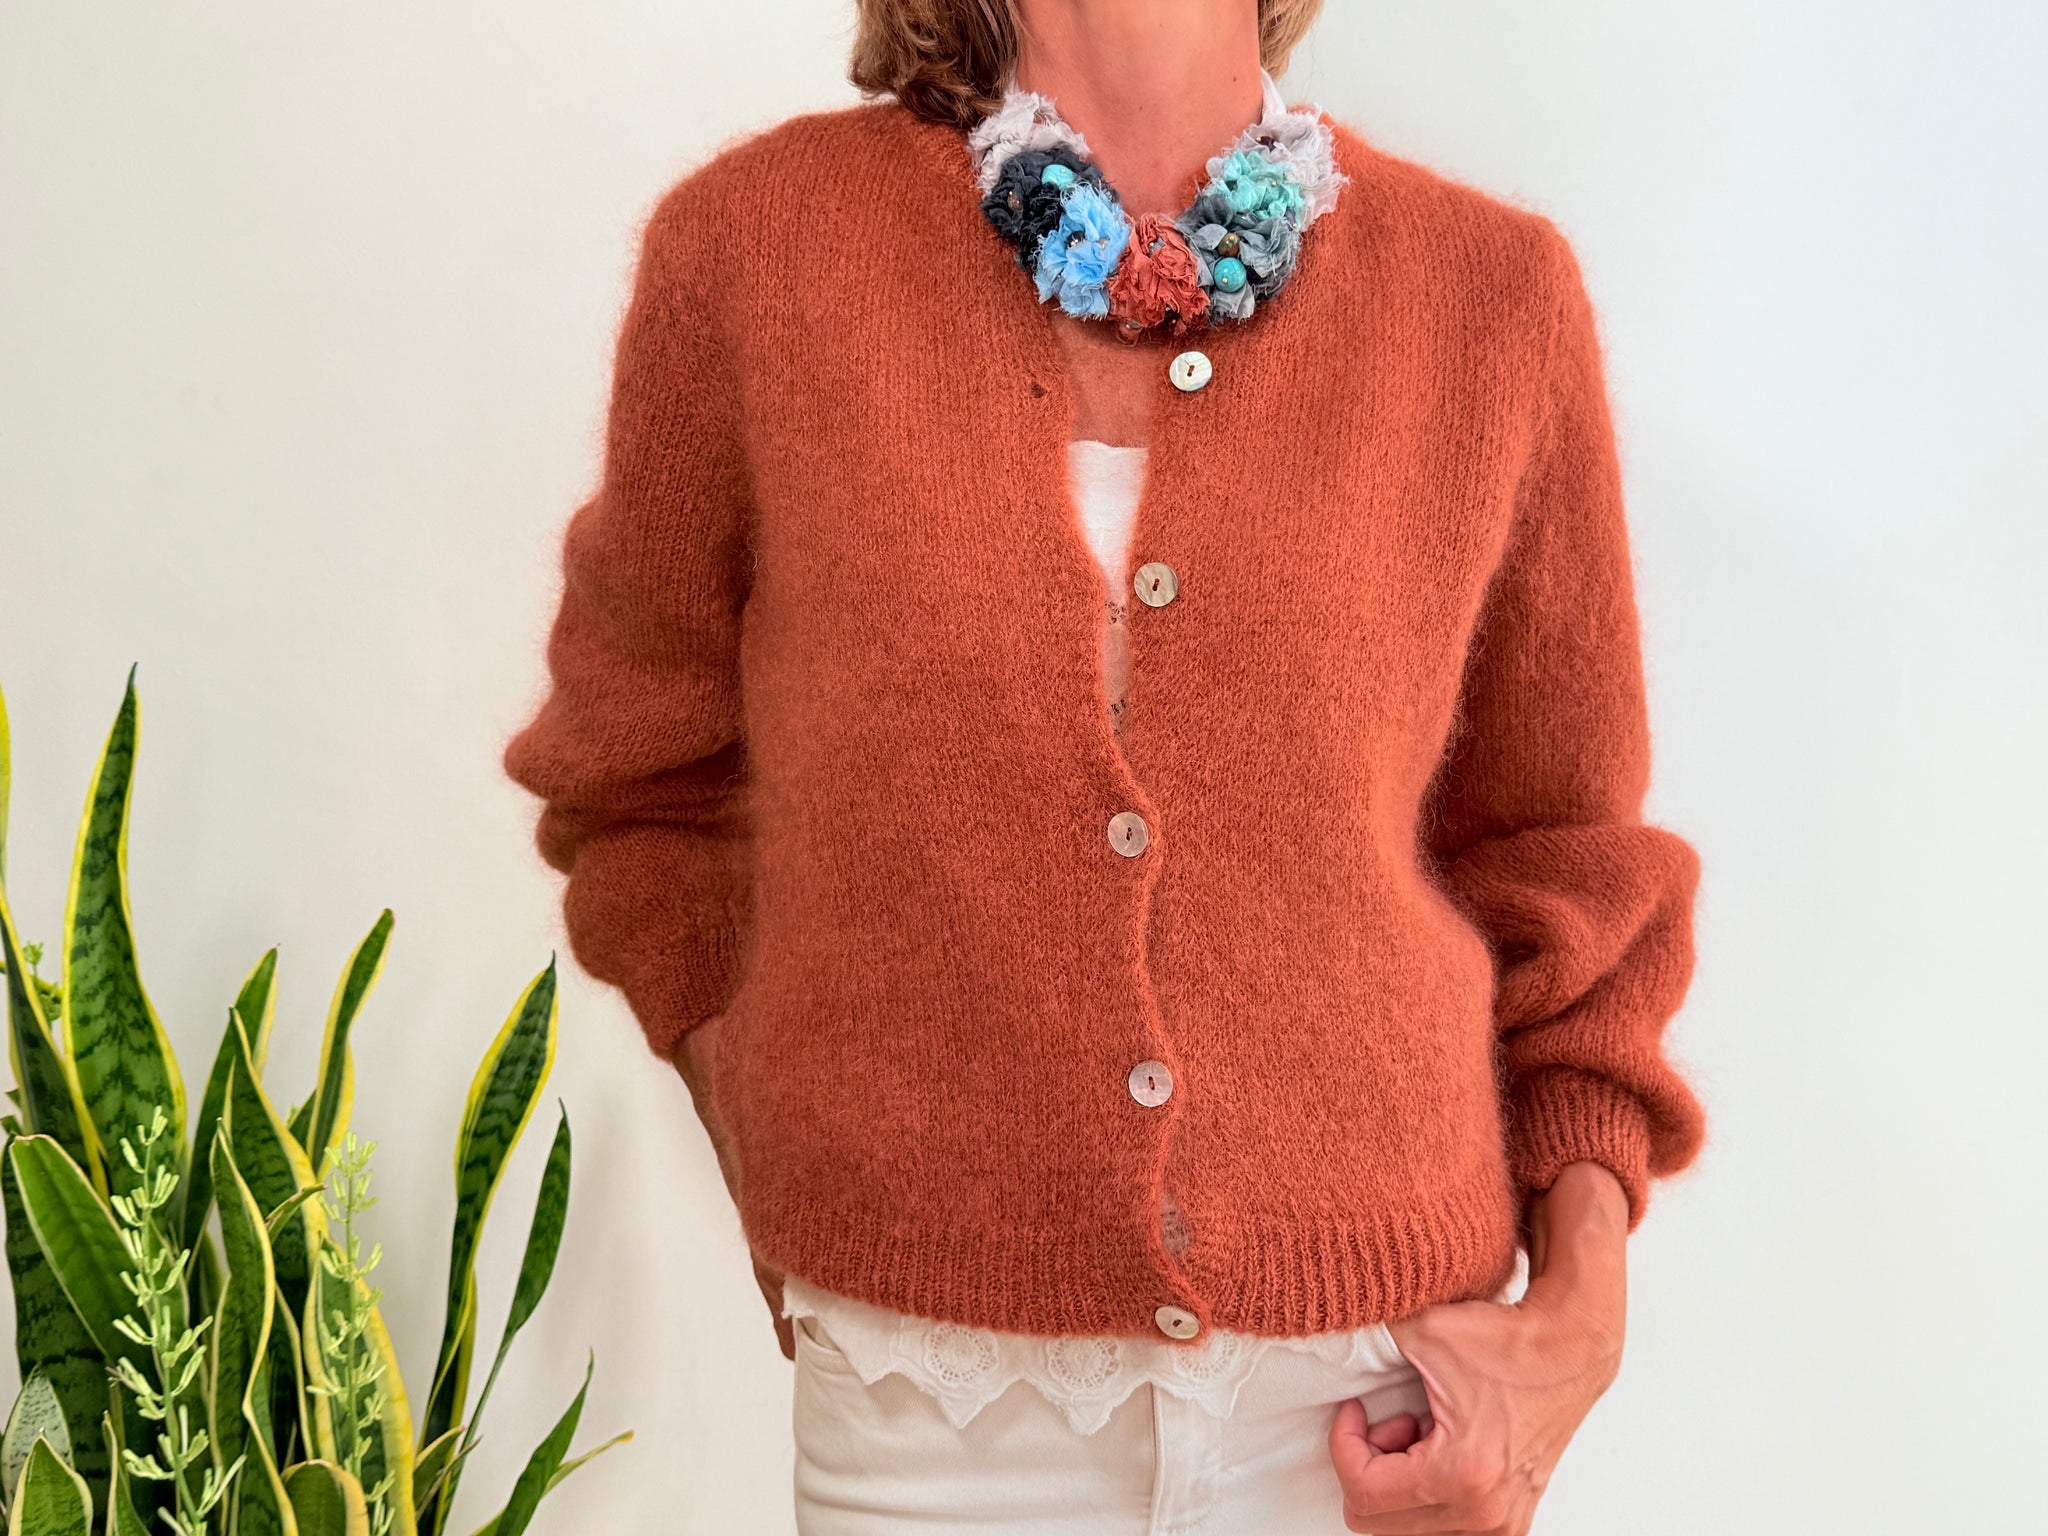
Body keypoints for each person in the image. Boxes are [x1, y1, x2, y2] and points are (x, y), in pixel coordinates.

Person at [501, 1, 1706, 1530]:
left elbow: (1565, 856)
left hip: (1387, 1389)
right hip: (936, 1409)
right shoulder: (756, 255)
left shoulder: (1490, 296)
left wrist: (1581, 1317)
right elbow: (638, 778)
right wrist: (781, 1108)